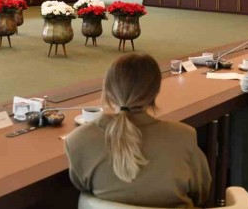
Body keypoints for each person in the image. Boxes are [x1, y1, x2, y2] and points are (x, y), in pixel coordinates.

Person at [65, 54, 211, 207]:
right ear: (155, 92)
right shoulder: (184, 137)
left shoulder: (78, 141)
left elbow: (82, 186)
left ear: (107, 89)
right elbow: (201, 193)